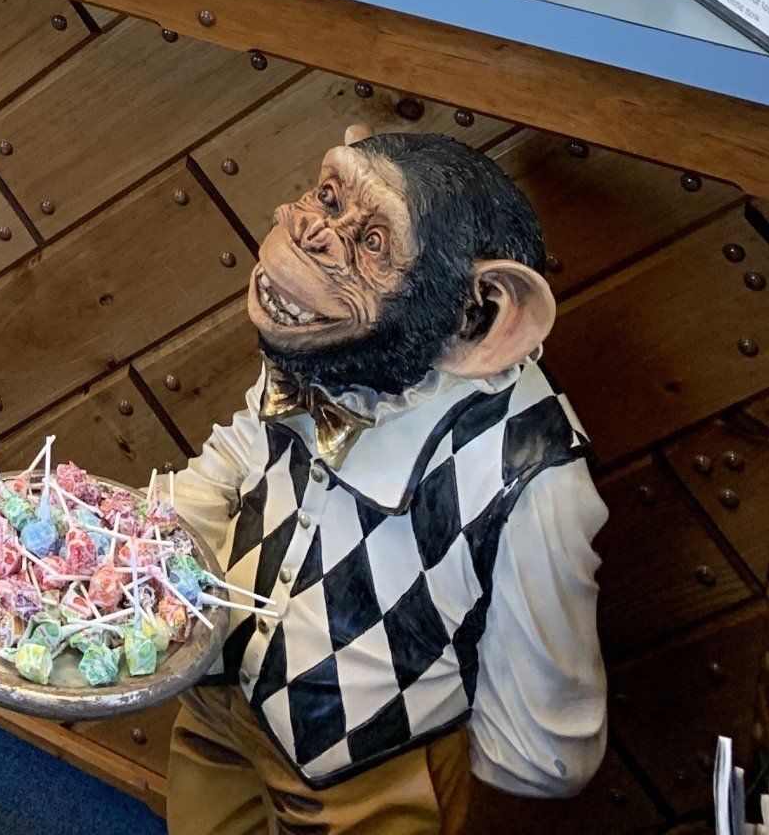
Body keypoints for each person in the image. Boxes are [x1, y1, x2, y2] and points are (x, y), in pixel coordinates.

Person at [166, 129, 606, 835]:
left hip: (364, 769)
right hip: (218, 696)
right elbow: (244, 450)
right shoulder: (328, 328)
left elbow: (541, 748)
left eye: (372, 242)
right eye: (329, 195)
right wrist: (140, 543)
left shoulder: (528, 471)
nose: (310, 234)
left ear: (481, 313)